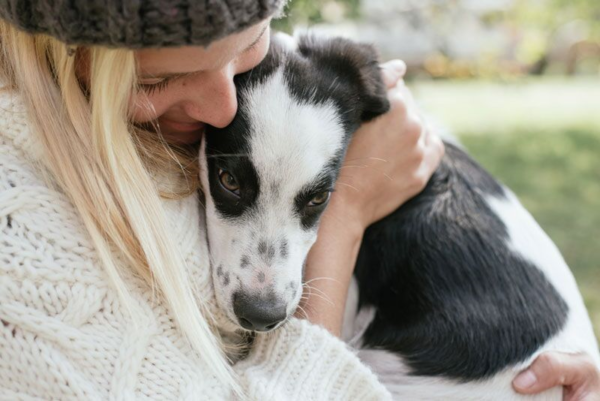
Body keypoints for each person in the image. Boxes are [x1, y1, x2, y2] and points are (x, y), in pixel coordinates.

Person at [0, 0, 597, 399]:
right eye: (156, 81)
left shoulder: (293, 119)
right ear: (60, 54)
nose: (224, 108)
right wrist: (343, 216)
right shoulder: (28, 242)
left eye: (248, 47)